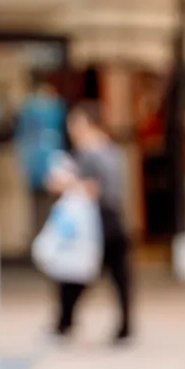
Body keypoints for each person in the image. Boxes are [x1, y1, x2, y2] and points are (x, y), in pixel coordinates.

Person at [53, 101, 132, 344]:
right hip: (112, 217)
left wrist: (66, 183)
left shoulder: (91, 152)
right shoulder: (112, 150)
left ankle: (64, 323)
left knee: (75, 272)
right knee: (117, 276)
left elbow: (93, 188)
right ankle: (124, 326)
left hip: (97, 221)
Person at [14, 71, 66, 238]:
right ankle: (44, 236)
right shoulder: (52, 107)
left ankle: (44, 235)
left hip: (39, 160)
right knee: (44, 203)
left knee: (43, 204)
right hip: (43, 161)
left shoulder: (37, 107)